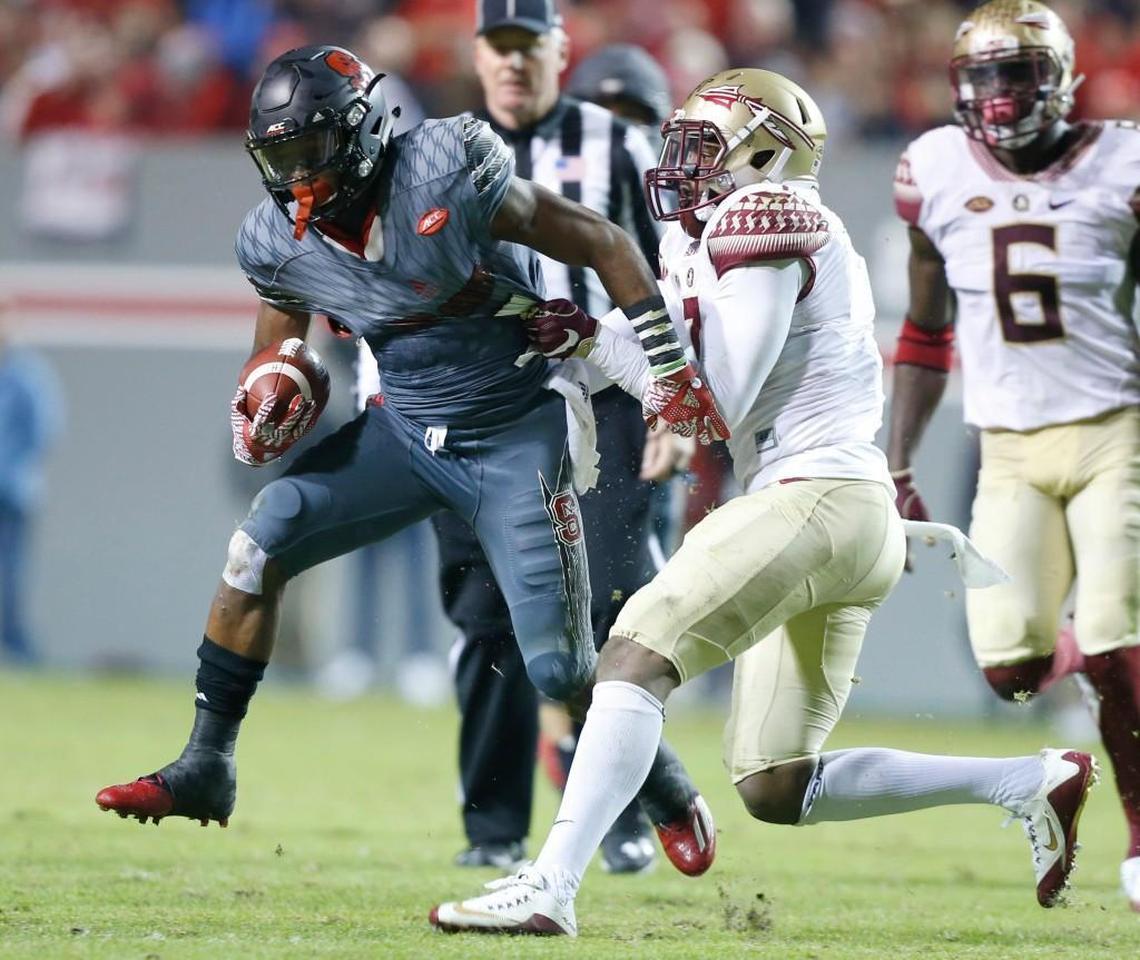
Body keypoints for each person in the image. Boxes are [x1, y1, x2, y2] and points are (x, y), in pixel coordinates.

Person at [429, 67, 1099, 936]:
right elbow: (672, 364)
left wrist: (603, 343)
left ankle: (550, 883)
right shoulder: (722, 232)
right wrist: (592, 335)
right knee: (778, 782)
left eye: (705, 145)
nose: (684, 162)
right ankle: (1024, 780)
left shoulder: (765, 214)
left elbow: (713, 404)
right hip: (845, 515)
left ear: (765, 151)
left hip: (810, 495)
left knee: (631, 656)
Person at [93, 44, 725, 879]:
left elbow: (601, 237)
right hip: (401, 429)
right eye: (276, 159)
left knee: (557, 665)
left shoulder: (444, 167)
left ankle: (664, 781)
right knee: (262, 540)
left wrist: (667, 368)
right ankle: (209, 761)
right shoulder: (277, 239)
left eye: (307, 152)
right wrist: (271, 392)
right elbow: (280, 345)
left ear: (358, 136)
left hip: (514, 426)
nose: (294, 179)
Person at [885, 0, 1140, 910]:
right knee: (1013, 671)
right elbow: (925, 330)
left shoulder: (1125, 158)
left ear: (1061, 77)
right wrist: (898, 461)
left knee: (1118, 642)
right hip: (1007, 448)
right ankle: (1097, 669)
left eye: (1019, 72)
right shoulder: (934, 170)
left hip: (1119, 430)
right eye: (984, 75)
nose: (1000, 94)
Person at [424, 7, 688, 874]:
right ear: (475, 56)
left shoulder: (616, 142)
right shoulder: (436, 155)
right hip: (479, 409)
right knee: (487, 617)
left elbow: (673, 280)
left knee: (612, 599)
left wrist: (671, 403)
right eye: (496, 49)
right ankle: (493, 829)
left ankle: (613, 810)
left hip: (604, 396)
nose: (510, 64)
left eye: (526, 48)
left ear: (558, 53)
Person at [0, 297, 64, 664]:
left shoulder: (26, 375)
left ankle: (17, 650)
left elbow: (44, 430)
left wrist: (15, 470)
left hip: (12, 493)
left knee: (10, 578)